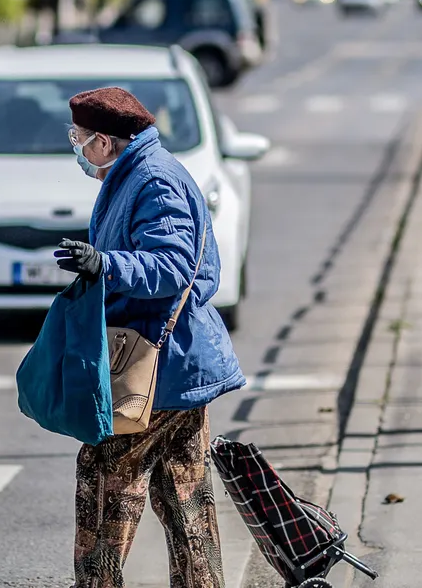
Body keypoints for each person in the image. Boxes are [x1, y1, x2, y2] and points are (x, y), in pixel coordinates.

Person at [52, 86, 245, 588]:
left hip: (162, 362)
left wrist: (105, 264)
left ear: (106, 142)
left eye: (79, 138)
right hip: (178, 362)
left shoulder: (154, 179)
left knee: (103, 475)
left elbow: (173, 265)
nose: (76, 146)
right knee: (184, 496)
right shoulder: (134, 172)